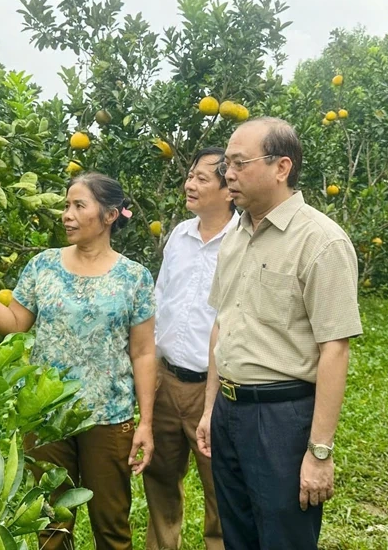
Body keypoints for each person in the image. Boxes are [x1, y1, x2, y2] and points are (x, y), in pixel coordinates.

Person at [0, 172, 157, 550]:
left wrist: (146, 422)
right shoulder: (43, 266)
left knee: (112, 524)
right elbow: (12, 325)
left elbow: (142, 353)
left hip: (108, 417)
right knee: (51, 524)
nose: (67, 214)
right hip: (46, 414)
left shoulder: (134, 277)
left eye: (79, 206)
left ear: (110, 215)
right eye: (66, 205)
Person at [195, 117, 363, 550]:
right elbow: (222, 325)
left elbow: (335, 349)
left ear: (281, 167)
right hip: (230, 413)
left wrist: (319, 451)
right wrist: (211, 408)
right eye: (225, 165)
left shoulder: (320, 241)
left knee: (284, 540)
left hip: (281, 418)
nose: (227, 174)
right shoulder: (236, 236)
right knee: (238, 537)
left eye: (238, 163)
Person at [144, 147, 237, 550]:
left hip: (213, 388)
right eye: (190, 175)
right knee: (161, 482)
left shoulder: (243, 241)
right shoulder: (179, 236)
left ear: (229, 188)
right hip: (167, 381)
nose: (189, 184)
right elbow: (160, 299)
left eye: (202, 178)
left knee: (222, 489)